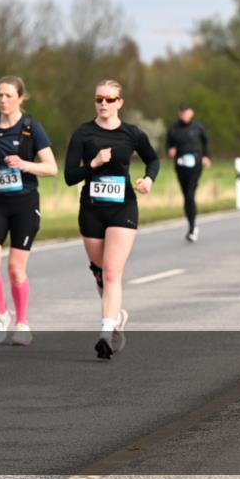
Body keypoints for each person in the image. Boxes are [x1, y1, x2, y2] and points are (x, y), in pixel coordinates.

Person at [65, 80, 159, 360]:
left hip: (123, 208)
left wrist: (148, 180)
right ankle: (116, 317)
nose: (104, 103)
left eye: (109, 99)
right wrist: (93, 164)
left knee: (111, 272)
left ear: (120, 102)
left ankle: (106, 333)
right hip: (92, 209)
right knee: (99, 273)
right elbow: (70, 176)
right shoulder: (83, 133)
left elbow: (153, 160)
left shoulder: (132, 133)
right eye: (99, 99)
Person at [0, 76, 57, 346]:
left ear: (20, 98)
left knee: (15, 268)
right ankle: (2, 313)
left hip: (25, 203)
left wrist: (24, 164)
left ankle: (22, 323)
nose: (3, 100)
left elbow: (51, 168)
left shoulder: (32, 128)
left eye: (8, 95)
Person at [166, 103, 210, 242]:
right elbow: (169, 144)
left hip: (196, 164)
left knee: (190, 193)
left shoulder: (198, 128)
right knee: (186, 195)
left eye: (187, 113)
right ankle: (192, 224)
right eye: (182, 113)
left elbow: (206, 142)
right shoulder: (174, 129)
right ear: (179, 114)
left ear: (191, 113)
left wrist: (206, 156)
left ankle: (192, 228)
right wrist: (170, 151)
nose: (184, 115)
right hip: (180, 165)